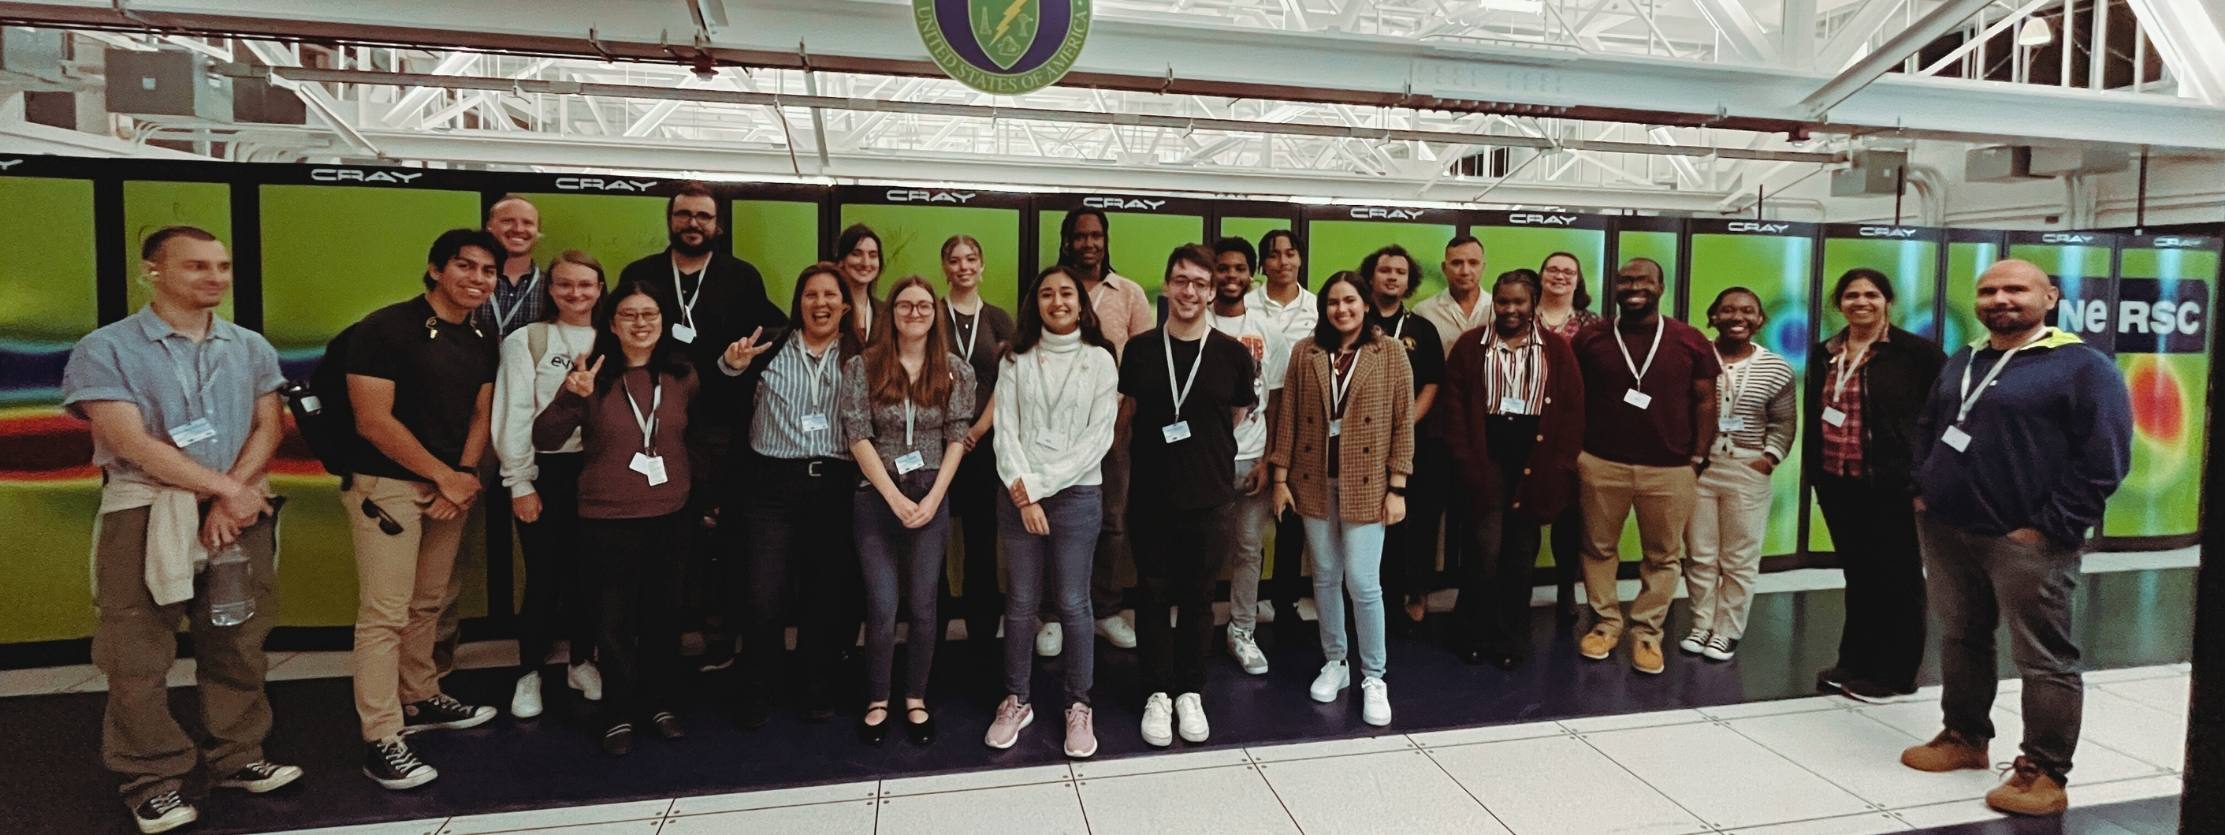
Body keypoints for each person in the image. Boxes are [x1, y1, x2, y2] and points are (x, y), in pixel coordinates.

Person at [63, 227, 303, 834]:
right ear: (153, 271)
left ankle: (239, 756)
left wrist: (235, 497)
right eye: (197, 266)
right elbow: (129, 441)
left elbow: (267, 426)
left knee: (239, 638)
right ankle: (152, 777)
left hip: (240, 510)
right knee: (136, 651)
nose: (215, 277)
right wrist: (222, 490)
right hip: (145, 512)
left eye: (222, 266)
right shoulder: (106, 348)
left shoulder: (249, 346)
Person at [1898, 259, 2132, 817]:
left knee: (2044, 657)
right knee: (1962, 636)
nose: (2000, 298)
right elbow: (1931, 425)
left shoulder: (2083, 367)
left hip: (2025, 539)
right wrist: (1922, 489)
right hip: (1949, 527)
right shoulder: (1966, 357)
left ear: (2049, 296)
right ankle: (1964, 737)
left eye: (2015, 289)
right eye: (1988, 290)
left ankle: (2045, 771)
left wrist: (2049, 526)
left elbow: (2105, 458)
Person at [532, 280, 726, 755]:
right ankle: (617, 712)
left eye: (651, 315)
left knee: (663, 618)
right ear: (612, 324)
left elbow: (697, 441)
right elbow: (545, 437)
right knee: (612, 622)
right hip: (605, 518)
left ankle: (659, 704)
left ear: (663, 324)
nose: (641, 323)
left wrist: (704, 502)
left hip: (671, 516)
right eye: (630, 315)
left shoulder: (683, 376)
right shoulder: (591, 376)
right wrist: (570, 397)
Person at [340, 229, 503, 790]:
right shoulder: (384, 329)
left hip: (449, 487)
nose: (477, 278)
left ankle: (421, 695)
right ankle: (382, 735)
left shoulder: (482, 337)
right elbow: (373, 420)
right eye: (465, 266)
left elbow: (483, 413)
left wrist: (461, 476)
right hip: (388, 487)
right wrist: (442, 476)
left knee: (430, 600)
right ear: (436, 269)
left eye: (487, 270)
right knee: (385, 613)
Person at [619, 181, 785, 670]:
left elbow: (773, 332)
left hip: (724, 431)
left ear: (719, 224)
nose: (694, 223)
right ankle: (658, 645)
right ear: (670, 219)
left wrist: (741, 364)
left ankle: (720, 638)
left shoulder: (740, 276)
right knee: (665, 539)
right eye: (685, 214)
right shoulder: (641, 274)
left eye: (704, 216)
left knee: (727, 538)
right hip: (651, 429)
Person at [1122, 244, 1257, 747]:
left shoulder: (1231, 353)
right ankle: (1157, 691)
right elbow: (1129, 412)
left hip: (1210, 495)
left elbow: (1238, 413)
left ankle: (1190, 691)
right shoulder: (1138, 350)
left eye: (1200, 283)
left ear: (1212, 290)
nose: (1190, 291)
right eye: (1181, 280)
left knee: (1200, 599)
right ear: (1166, 285)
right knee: (1153, 596)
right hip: (1152, 495)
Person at [983, 265, 1120, 758]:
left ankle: (1078, 705)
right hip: (1019, 494)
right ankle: (1016, 699)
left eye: (1067, 293)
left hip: (1077, 496)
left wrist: (1038, 487)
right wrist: (1024, 495)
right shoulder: (1016, 358)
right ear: (1034, 303)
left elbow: (1096, 440)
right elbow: (1007, 432)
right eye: (1047, 294)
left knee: (1073, 603)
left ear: (1081, 303)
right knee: (1020, 603)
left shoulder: (1101, 360)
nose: (1057, 301)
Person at [720, 263, 864, 728]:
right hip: (772, 487)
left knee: (826, 595)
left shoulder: (862, 353)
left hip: (837, 485)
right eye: (810, 295)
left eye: (830, 296)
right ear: (798, 301)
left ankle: (816, 687)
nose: (820, 304)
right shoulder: (770, 345)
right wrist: (730, 367)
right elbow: (722, 399)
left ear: (846, 304)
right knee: (764, 594)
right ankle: (757, 688)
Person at [1268, 270, 1413, 727]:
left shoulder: (1389, 352)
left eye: (1350, 301)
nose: (1341, 310)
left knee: (1364, 582)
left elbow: (1403, 422)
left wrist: (1398, 486)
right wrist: (1279, 478)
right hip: (1313, 480)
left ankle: (1375, 675)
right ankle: (1337, 661)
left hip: (1368, 483)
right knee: (1325, 576)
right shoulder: (1305, 351)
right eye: (1333, 302)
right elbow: (1288, 417)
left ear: (1365, 304)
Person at [843, 277, 977, 746]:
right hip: (877, 494)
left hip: (932, 493)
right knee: (881, 606)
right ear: (891, 312)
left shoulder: (955, 369)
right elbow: (857, 434)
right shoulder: (864, 366)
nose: (914, 312)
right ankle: (877, 698)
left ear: (935, 313)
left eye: (923, 305)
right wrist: (893, 498)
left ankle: (915, 697)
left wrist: (935, 498)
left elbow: (958, 437)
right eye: (905, 305)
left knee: (924, 606)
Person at [1568, 258, 1719, 675]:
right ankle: (1605, 623)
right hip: (1601, 463)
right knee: (1598, 549)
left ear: (1661, 287)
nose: (1634, 287)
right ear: (1614, 288)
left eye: (1643, 281)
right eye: (1625, 280)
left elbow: (1707, 400)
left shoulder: (1690, 340)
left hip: (1670, 468)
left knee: (1664, 555)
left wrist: (1697, 458)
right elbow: (1572, 396)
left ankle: (1647, 631)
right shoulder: (1591, 337)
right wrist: (1578, 454)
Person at [1807, 268, 1947, 702]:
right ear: (1839, 303)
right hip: (1838, 482)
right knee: (1859, 575)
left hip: (1892, 484)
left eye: (1871, 294)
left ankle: (1897, 673)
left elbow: (1940, 420)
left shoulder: (1917, 354)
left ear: (1888, 301)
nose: (1861, 302)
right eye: (1851, 295)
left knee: (1899, 578)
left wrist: (1925, 480)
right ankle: (1855, 661)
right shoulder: (1825, 351)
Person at [1441, 269, 1584, 670]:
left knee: (1520, 556)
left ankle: (1511, 638)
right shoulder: (1471, 347)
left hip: (1534, 463)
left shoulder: (1556, 349)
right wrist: (1468, 463)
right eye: (1502, 301)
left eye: (1519, 302)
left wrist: (1558, 466)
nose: (1509, 309)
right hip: (1484, 457)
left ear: (1533, 303)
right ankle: (1471, 633)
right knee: (1482, 552)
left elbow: (1572, 412)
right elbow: (1453, 410)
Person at [435, 194, 548, 679]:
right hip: (468, 435)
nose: (518, 229)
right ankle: (431, 667)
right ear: (489, 226)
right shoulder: (465, 287)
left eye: (527, 223)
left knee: (549, 554)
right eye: (508, 221)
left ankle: (550, 654)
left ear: (538, 233)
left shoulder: (557, 286)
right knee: (444, 555)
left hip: (535, 434)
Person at [491, 250, 607, 719]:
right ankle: (529, 673)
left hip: (600, 472)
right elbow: (514, 412)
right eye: (565, 285)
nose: (576, 294)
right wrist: (519, 482)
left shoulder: (613, 337)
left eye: (586, 284)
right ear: (550, 289)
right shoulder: (528, 339)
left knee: (590, 577)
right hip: (545, 470)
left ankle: (582, 661)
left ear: (600, 288)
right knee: (543, 577)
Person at [1039, 208, 1152, 658]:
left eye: (1096, 236)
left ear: (1106, 240)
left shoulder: (1129, 294)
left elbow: (1143, 366)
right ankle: (1053, 615)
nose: (1089, 244)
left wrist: (1122, 423)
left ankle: (1104, 609)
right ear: (1067, 241)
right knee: (1054, 519)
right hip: (1054, 432)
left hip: (1114, 428)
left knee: (1111, 520)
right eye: (1080, 237)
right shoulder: (1050, 289)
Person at [1679, 287, 1797, 663]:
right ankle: (1700, 624)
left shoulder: (1776, 366)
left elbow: (1784, 421)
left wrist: (1768, 459)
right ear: (1712, 316)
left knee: (1740, 556)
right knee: (1699, 553)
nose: (1737, 317)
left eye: (1748, 310)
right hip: (1700, 467)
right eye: (1727, 309)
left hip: (1747, 468)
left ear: (1760, 319)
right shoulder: (1695, 357)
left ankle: (1727, 631)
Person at [1208, 235, 1289, 676]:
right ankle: (1197, 626)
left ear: (1251, 274)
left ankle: (1241, 630)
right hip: (1206, 463)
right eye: (1223, 268)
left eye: (1240, 269)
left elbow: (1275, 400)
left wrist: (1269, 460)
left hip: (1253, 458)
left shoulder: (1267, 332)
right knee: (1201, 548)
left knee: (1248, 549)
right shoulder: (1196, 323)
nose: (1232, 276)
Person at [936, 235, 1016, 663]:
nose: (963, 266)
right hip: (935, 447)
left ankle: (983, 646)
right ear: (944, 268)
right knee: (932, 546)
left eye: (971, 259)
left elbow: (1010, 384)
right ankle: (932, 643)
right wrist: (952, 434)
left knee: (982, 547)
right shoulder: (932, 315)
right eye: (954, 260)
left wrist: (977, 431)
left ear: (982, 266)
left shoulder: (1000, 319)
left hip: (983, 449)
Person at [1359, 245, 1445, 634]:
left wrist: (1404, 424)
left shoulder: (1421, 328)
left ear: (1409, 281)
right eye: (1384, 271)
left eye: (1400, 272)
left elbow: (1432, 383)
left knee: (1415, 523)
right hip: (1361, 443)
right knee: (1369, 522)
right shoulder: (1353, 321)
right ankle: (1367, 596)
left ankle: (1413, 593)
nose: (1392, 277)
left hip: (1412, 442)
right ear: (1370, 277)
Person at [1244, 230, 1317, 635]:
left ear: (1300, 260)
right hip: (1256, 415)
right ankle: (1245, 599)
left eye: (1290, 254)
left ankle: (1285, 598)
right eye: (1273, 255)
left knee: (1292, 516)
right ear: (1262, 263)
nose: (1282, 262)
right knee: (1248, 525)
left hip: (1304, 418)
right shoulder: (1248, 305)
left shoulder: (1318, 307)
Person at [1536, 251, 1601, 618]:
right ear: (1541, 275)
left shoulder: (1593, 325)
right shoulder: (1521, 316)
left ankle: (1565, 589)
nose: (1560, 276)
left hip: (1575, 430)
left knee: (1570, 515)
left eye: (1568, 271)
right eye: (1553, 269)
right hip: (1527, 428)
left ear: (1578, 281)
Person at [835, 223, 884, 342]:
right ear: (841, 261)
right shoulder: (829, 309)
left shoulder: (886, 312)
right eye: (856, 254)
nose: (865, 263)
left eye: (873, 255)